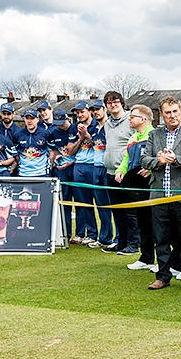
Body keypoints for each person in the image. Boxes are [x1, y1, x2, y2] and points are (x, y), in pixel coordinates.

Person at [141, 96, 181, 291]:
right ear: (162, 115)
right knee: (161, 239)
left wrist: (176, 160)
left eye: (175, 111)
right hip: (159, 195)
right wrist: (158, 162)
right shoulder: (154, 135)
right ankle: (163, 276)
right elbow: (144, 160)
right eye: (168, 112)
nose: (172, 115)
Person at [114, 105, 156, 268]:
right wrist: (120, 170)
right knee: (142, 223)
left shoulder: (154, 135)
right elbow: (126, 158)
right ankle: (146, 258)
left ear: (143, 119)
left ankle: (163, 260)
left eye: (132, 116)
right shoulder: (132, 138)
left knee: (156, 225)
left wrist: (151, 168)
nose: (129, 119)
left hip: (151, 187)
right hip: (136, 188)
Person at [102, 91, 137, 254]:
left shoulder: (131, 120)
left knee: (130, 211)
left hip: (126, 173)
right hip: (110, 172)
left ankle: (133, 243)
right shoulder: (107, 124)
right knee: (117, 211)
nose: (112, 105)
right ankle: (121, 241)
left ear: (121, 103)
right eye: (109, 103)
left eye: (115, 101)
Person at [67, 101, 99, 246]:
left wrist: (87, 135)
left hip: (93, 164)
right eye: (77, 113)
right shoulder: (74, 128)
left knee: (99, 202)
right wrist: (80, 138)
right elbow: (70, 151)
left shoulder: (97, 125)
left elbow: (99, 145)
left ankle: (104, 236)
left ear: (89, 112)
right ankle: (91, 234)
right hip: (79, 165)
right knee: (83, 202)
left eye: (82, 112)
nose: (79, 115)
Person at [89, 99, 114, 249]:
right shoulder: (93, 129)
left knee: (115, 205)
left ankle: (119, 238)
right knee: (101, 205)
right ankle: (105, 238)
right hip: (95, 168)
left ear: (104, 109)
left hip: (108, 168)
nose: (96, 112)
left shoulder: (111, 126)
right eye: (94, 109)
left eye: (98, 109)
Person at [48, 109, 76, 239]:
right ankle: (66, 233)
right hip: (61, 170)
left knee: (81, 202)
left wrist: (71, 162)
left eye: (62, 123)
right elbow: (53, 150)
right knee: (64, 201)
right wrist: (55, 159)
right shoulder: (54, 132)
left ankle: (82, 234)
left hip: (76, 167)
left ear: (68, 119)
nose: (60, 126)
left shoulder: (76, 129)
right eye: (57, 123)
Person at [14, 108, 52, 177]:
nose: (29, 121)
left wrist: (50, 166)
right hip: (23, 174)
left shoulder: (45, 134)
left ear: (37, 119)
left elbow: (52, 152)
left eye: (32, 118)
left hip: (42, 173)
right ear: (24, 119)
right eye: (27, 118)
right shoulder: (17, 135)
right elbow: (15, 154)